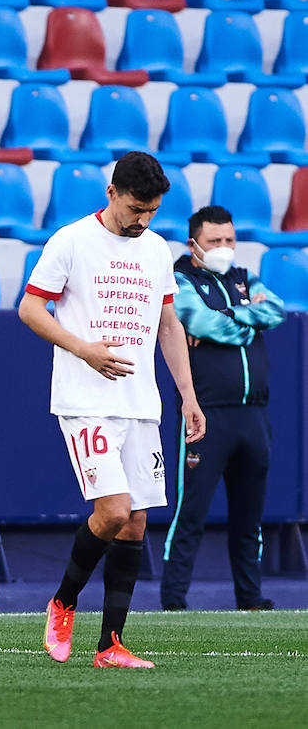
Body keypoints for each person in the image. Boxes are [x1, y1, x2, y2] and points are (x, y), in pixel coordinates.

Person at [19, 151, 206, 669]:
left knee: (137, 522)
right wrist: (84, 350)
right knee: (114, 511)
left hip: (140, 402)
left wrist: (187, 395)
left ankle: (110, 645)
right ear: (111, 193)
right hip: (86, 400)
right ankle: (63, 601)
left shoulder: (156, 249)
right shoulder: (72, 241)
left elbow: (169, 325)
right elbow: (30, 308)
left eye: (151, 211)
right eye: (135, 208)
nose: (143, 220)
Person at [161, 206, 283, 612]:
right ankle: (174, 599)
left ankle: (250, 597)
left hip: (254, 415)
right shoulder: (180, 279)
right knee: (190, 512)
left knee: (250, 518)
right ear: (194, 243)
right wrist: (246, 322)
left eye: (229, 240)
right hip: (207, 414)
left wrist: (230, 314)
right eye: (215, 241)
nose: (225, 248)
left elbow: (276, 311)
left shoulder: (244, 277)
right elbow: (201, 323)